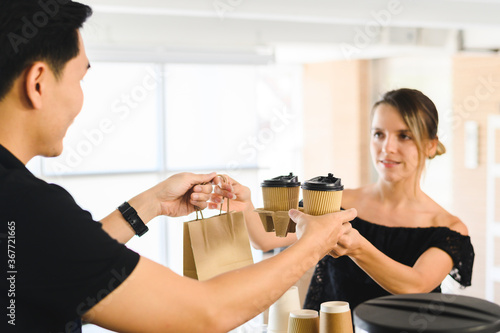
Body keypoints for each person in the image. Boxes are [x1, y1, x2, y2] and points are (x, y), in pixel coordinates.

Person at [0, 1, 357, 332]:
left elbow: (60, 262)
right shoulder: (28, 206)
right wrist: (313, 243)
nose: (81, 99)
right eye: (79, 79)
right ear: (38, 83)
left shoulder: (20, 206)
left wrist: (152, 203)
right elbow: (205, 312)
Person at [213, 88, 475, 311]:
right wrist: (244, 205)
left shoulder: (448, 228)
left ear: (431, 145)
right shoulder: (335, 203)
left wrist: (358, 247)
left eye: (404, 136)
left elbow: (415, 285)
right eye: (378, 134)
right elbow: (266, 238)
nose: (387, 148)